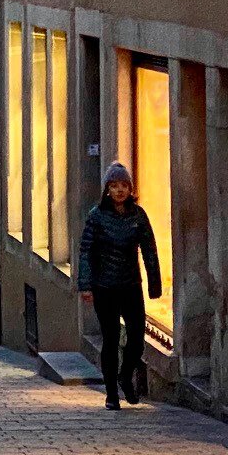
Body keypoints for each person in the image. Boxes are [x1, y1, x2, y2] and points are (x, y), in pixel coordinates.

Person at [77, 162, 162, 410]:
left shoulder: (138, 215)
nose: (119, 190)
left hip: (130, 286)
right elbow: (86, 251)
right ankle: (111, 393)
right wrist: (86, 286)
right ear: (107, 189)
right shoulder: (97, 216)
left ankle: (126, 375)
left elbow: (149, 250)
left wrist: (154, 284)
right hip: (105, 288)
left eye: (124, 185)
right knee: (111, 339)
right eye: (114, 186)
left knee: (137, 340)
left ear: (130, 188)